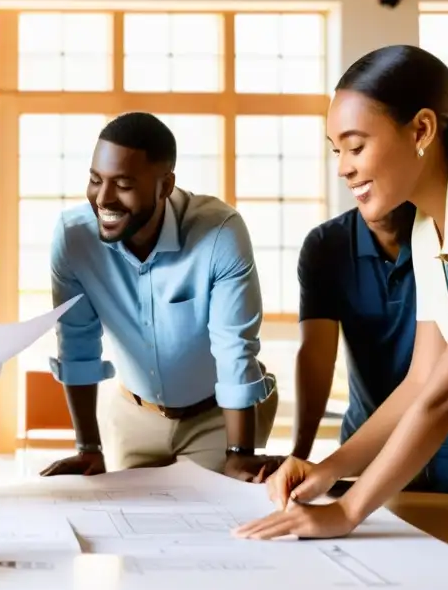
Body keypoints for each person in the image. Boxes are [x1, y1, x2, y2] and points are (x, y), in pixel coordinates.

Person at [234, 45, 448, 546]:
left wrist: (348, 511)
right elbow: (421, 380)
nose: (343, 169)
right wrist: (326, 470)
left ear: (421, 130)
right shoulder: (426, 228)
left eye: (355, 146)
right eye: (336, 151)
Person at [40, 112, 282, 481]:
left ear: (165, 185)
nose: (103, 198)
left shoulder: (219, 232)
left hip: (216, 416)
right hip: (132, 416)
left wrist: (239, 453)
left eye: (122, 184)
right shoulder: (74, 239)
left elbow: (235, 348)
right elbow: (77, 343)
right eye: (94, 180)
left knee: (216, 521)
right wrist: (89, 448)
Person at [293, 202, 448, 494]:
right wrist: (300, 454)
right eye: (341, 154)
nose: (347, 171)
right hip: (365, 449)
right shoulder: (327, 245)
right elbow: (316, 357)